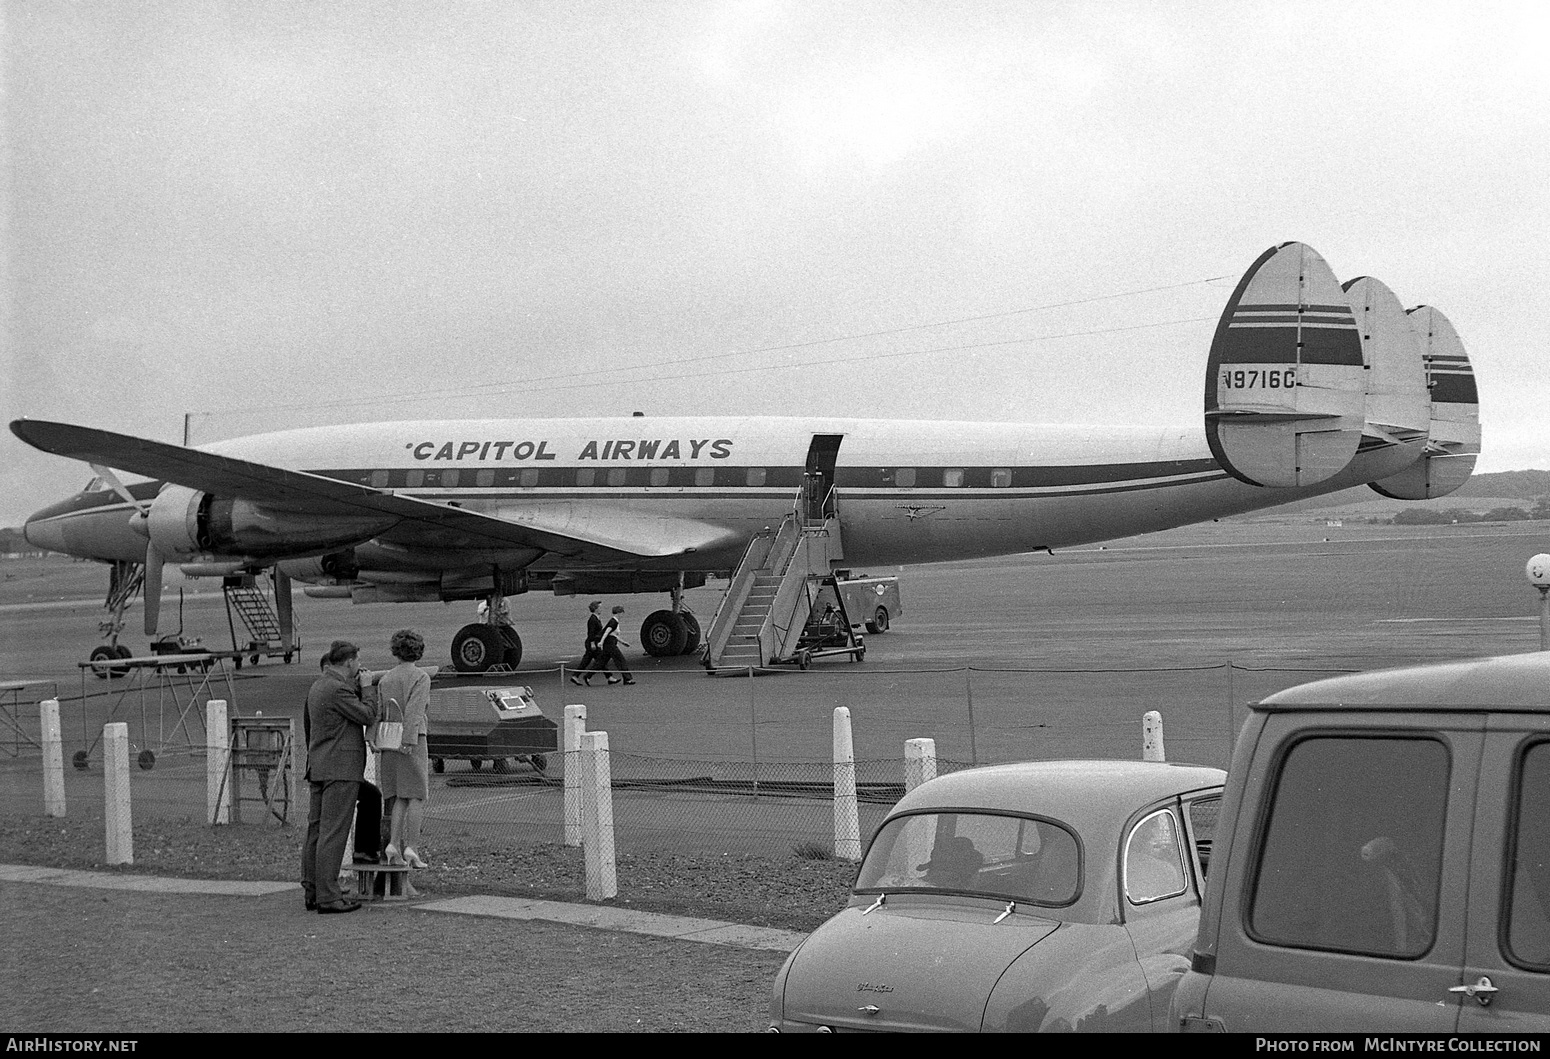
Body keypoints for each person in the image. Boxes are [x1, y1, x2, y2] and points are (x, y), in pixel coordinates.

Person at [301, 640, 379, 914]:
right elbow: (367, 715)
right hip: (340, 768)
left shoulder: (319, 685)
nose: (360, 666)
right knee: (334, 833)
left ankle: (313, 889)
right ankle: (329, 896)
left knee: (317, 830)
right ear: (349, 662)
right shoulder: (337, 689)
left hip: (321, 765)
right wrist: (368, 687)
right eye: (357, 661)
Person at [376, 629, 432, 884]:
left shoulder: (386, 679)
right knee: (417, 795)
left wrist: (373, 738)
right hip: (412, 740)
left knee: (398, 795)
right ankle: (413, 847)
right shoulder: (420, 677)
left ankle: (393, 845)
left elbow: (379, 712)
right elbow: (414, 711)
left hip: (388, 741)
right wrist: (409, 741)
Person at [586, 604, 635, 685]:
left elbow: (613, 635)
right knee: (621, 660)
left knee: (601, 662)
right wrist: (601, 642)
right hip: (610, 645)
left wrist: (623, 642)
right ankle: (627, 679)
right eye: (622, 613)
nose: (623, 615)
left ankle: (588, 676)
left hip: (609, 644)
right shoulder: (614, 622)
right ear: (619, 613)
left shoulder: (615, 621)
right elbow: (606, 632)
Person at [569, 601, 606, 686]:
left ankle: (575, 675)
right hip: (592, 643)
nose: (601, 609)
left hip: (593, 643)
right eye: (600, 607)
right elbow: (591, 633)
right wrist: (592, 643)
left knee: (587, 661)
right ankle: (608, 677)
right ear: (595, 609)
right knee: (601, 660)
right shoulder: (593, 619)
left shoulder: (596, 618)